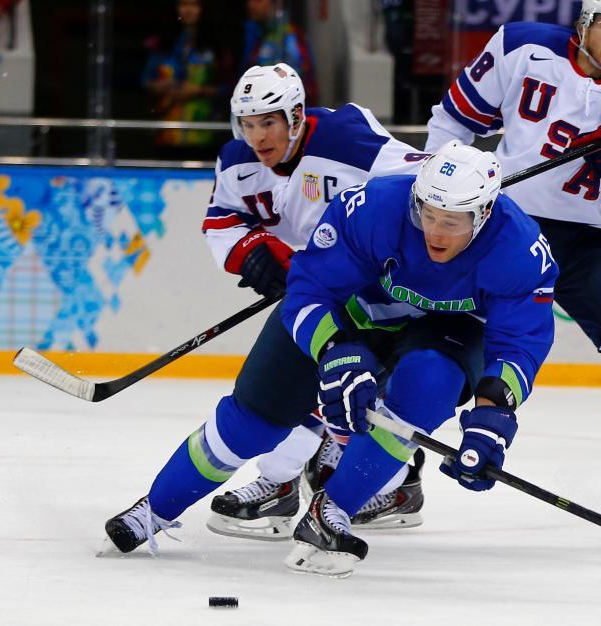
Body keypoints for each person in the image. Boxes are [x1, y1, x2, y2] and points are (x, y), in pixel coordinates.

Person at [100, 63, 429, 555]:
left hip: (385, 302)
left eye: (268, 122)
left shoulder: (345, 137)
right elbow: (222, 221)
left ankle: (388, 484)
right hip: (314, 299)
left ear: (296, 116)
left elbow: (425, 180)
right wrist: (255, 253)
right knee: (255, 413)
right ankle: (161, 508)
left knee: (354, 403)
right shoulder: (236, 161)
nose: (256, 136)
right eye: (247, 124)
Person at [424, 0, 601, 540]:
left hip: (589, 235)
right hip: (501, 223)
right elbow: (452, 122)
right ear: (583, 23)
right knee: (438, 348)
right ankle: (398, 472)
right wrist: (443, 195)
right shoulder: (520, 46)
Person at [280, 140, 558, 577]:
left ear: (482, 214)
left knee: (423, 392)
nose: (435, 231)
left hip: (454, 330)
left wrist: (493, 416)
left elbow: (520, 341)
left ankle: (332, 509)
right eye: (429, 214)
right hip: (375, 313)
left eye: (452, 220)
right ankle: (281, 476)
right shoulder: (379, 206)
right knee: (299, 392)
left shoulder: (519, 248)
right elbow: (315, 284)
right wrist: (335, 347)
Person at [142, 0, 231, 157]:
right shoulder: (162, 43)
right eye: (183, 4)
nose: (188, 10)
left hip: (205, 132)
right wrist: (163, 86)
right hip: (167, 132)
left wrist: (199, 90)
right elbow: (146, 81)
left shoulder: (216, 45)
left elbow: (229, 87)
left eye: (194, 5)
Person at [243, 0, 317, 102]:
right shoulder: (255, 33)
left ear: (278, 2)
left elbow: (298, 84)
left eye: (258, 0)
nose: (250, 5)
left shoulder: (291, 36)